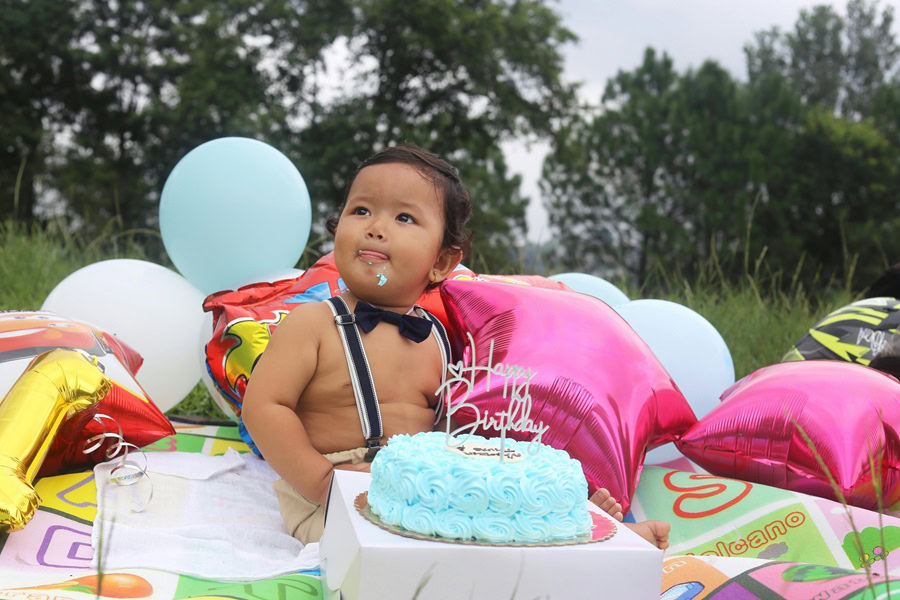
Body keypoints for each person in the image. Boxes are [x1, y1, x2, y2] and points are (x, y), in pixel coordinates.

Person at [241, 144, 669, 549]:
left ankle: (588, 529)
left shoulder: (435, 337)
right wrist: (317, 479)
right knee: (430, 548)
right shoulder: (314, 323)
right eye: (361, 210)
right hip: (335, 492)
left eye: (404, 218)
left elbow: (453, 424)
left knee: (493, 522)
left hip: (427, 488)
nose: (375, 226)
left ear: (442, 262)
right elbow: (264, 408)